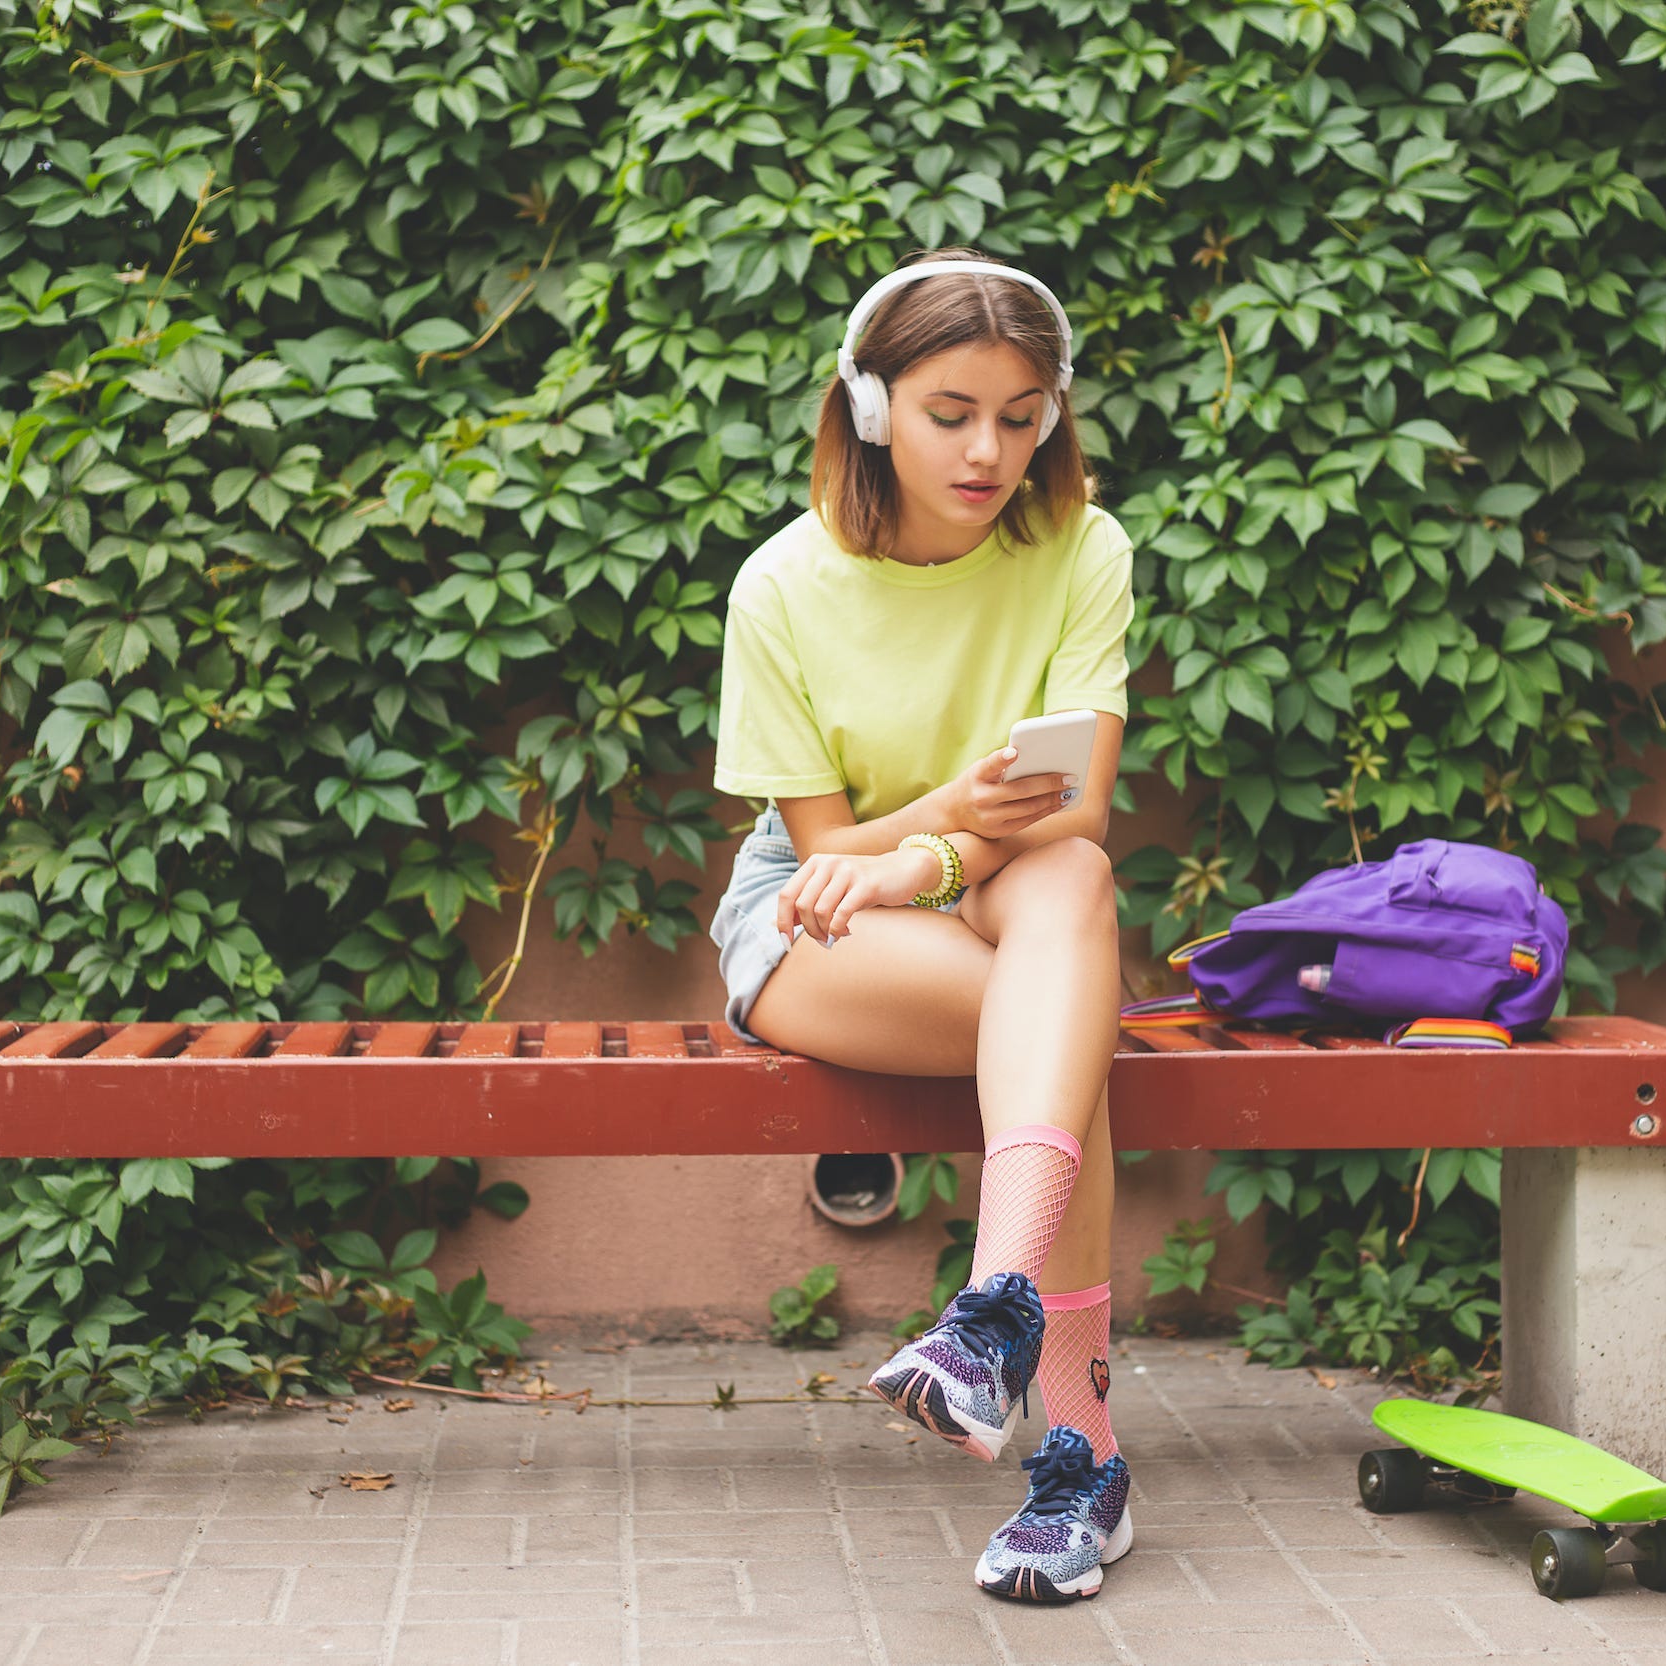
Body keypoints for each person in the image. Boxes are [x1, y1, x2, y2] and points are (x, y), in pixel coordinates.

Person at [707, 248, 1135, 1602]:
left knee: (1070, 893)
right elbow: (825, 851)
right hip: (814, 917)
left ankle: (990, 1317)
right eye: (951, 411)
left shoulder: (1082, 546)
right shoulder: (780, 586)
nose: (989, 448)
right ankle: (1082, 1460)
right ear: (873, 406)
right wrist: (935, 825)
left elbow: (1074, 810)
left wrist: (941, 849)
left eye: (1021, 414)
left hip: (1007, 876)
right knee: (1062, 1034)